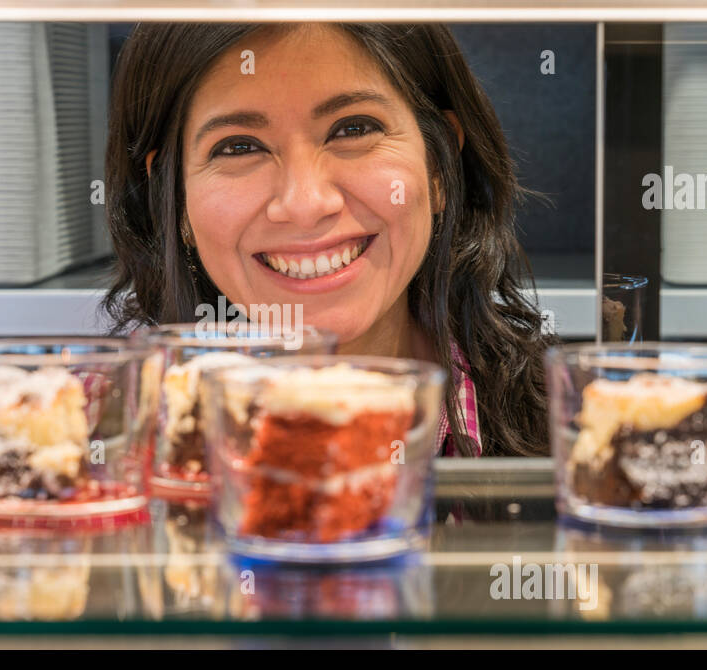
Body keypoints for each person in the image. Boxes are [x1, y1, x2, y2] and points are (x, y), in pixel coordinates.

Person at [104, 22, 551, 457]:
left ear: (439, 170)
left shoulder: (571, 422)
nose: (305, 203)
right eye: (239, 147)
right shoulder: (86, 434)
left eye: (353, 129)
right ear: (176, 197)